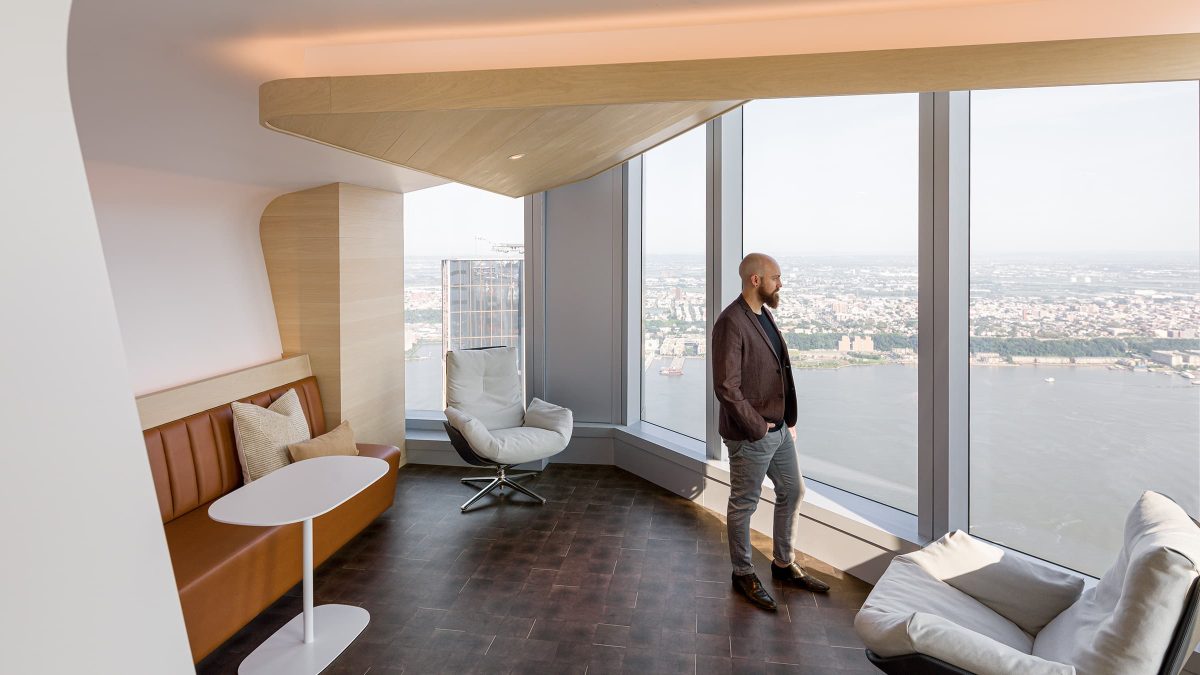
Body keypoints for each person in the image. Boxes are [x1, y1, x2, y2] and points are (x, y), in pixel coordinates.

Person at [712, 252, 829, 611]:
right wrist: (758, 427)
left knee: (793, 491)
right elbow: (726, 386)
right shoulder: (731, 322)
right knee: (743, 504)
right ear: (756, 280)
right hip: (752, 434)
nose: (782, 283)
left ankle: (782, 563)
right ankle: (743, 572)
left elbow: (775, 371)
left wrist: (785, 421)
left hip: (778, 430)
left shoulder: (764, 316)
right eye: (777, 277)